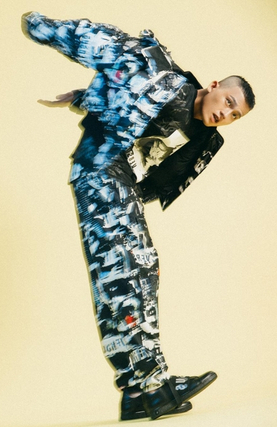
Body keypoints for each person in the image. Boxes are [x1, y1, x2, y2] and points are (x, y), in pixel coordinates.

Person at [21, 11, 255, 421]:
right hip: (100, 172)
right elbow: (112, 50)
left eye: (235, 116)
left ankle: (136, 392)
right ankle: (155, 385)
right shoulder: (166, 79)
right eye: (229, 103)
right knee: (132, 270)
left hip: (121, 183)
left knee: (124, 277)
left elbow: (148, 155)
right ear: (215, 86)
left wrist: (86, 99)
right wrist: (44, 28)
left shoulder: (203, 138)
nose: (226, 115)